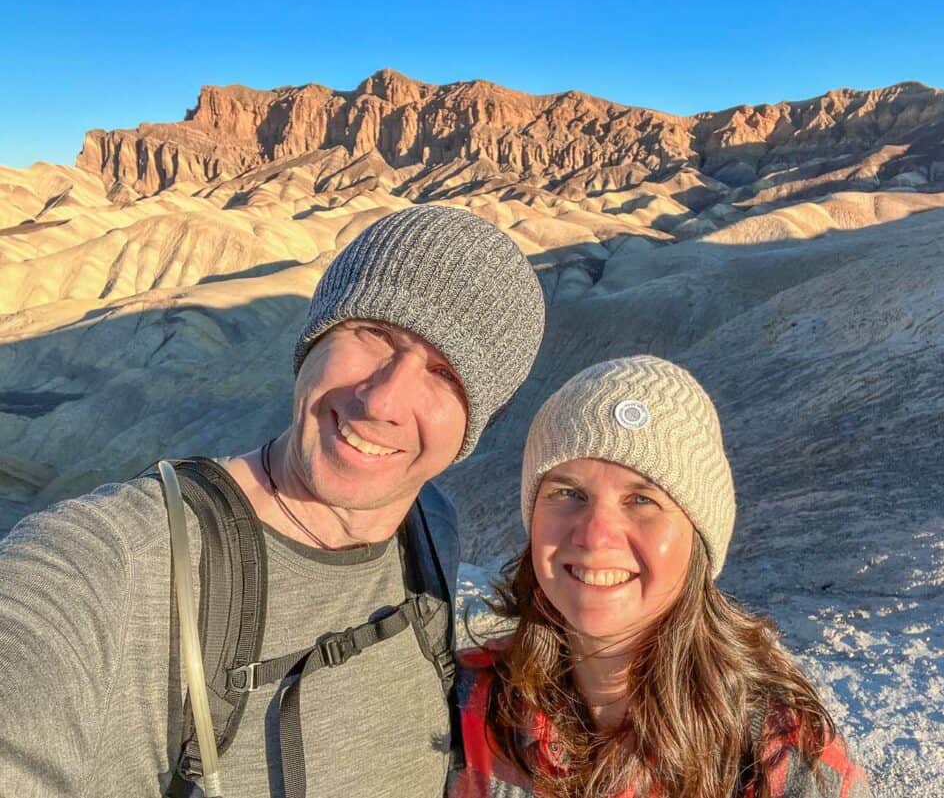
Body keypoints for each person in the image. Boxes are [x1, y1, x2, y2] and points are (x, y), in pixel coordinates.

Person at [0, 205, 545, 798]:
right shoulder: (113, 564)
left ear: (478, 424)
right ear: (314, 336)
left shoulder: (432, 527)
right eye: (373, 333)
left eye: (444, 373)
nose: (383, 399)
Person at [451, 355, 871, 798]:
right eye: (568, 493)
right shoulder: (466, 708)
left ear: (698, 536)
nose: (595, 535)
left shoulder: (777, 749)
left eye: (642, 500)